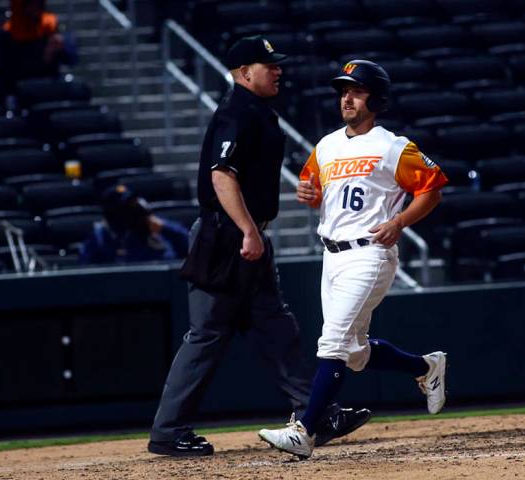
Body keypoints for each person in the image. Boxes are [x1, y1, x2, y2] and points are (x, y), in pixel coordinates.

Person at [147, 37, 371, 457]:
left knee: (276, 328)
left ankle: (316, 413)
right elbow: (222, 175)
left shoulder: (257, 111)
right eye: (268, 65)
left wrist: (254, 232)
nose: (278, 70)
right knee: (208, 334)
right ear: (245, 72)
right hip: (226, 236)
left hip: (245, 235)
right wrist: (249, 231)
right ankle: (167, 430)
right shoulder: (237, 111)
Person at [258, 60, 450, 459]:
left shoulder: (393, 146)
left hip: (370, 254)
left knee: (332, 342)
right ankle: (425, 367)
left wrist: (400, 221)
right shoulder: (326, 145)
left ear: (376, 98)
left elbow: (432, 189)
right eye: (343, 90)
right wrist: (310, 196)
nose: (346, 96)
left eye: (356, 90)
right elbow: (314, 188)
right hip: (332, 255)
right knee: (356, 353)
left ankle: (304, 432)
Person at [79, 184, 189, 265]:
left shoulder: (152, 226)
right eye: (128, 206)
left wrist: (165, 228)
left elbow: (190, 246)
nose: (134, 210)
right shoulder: (101, 237)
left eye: (133, 204)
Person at [0, 0, 76, 87]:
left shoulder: (49, 26)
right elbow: (9, 69)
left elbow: (71, 60)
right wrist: (45, 56)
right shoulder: (7, 32)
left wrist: (61, 47)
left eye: (38, 4)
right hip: (20, 85)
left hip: (49, 83)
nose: (34, 8)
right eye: (31, 4)